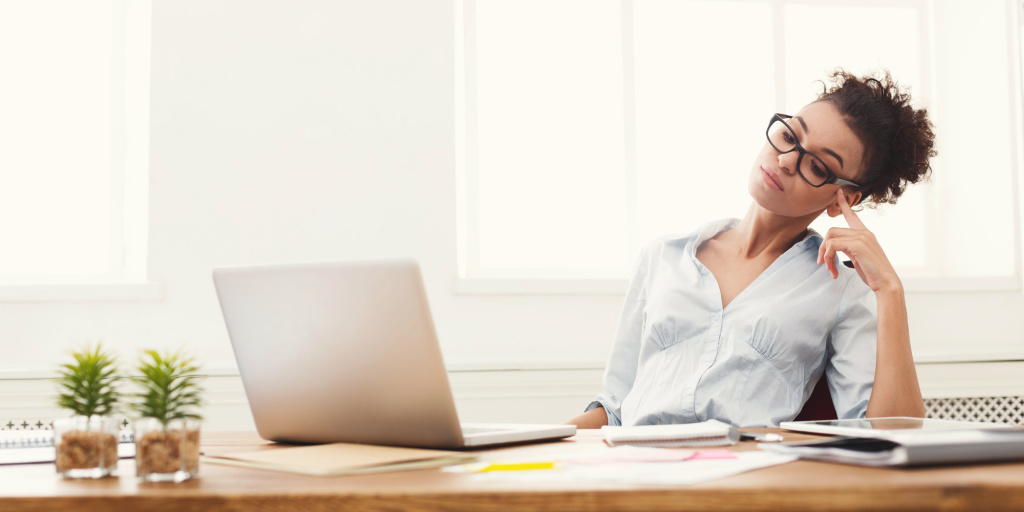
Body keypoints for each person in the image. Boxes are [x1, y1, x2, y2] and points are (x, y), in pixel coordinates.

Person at [567, 69, 936, 429]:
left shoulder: (840, 291)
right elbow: (615, 409)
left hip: (744, 476)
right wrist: (536, 439)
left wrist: (890, 291)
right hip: (634, 472)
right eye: (790, 135)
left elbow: (892, 432)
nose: (787, 160)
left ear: (843, 198)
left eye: (818, 166)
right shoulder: (662, 257)